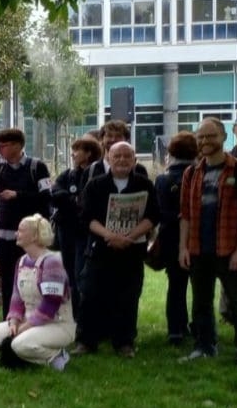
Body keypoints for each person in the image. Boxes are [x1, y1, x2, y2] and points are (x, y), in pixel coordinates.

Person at [179, 117, 237, 369]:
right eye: (201, 136)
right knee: (201, 303)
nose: (205, 141)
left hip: (229, 249)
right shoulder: (192, 173)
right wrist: (183, 247)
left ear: (224, 137)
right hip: (198, 249)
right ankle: (204, 347)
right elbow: (185, 215)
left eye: (210, 136)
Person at [77, 142, 158, 357]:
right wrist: (110, 235)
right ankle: (86, 341)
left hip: (132, 250)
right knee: (90, 295)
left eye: (127, 156)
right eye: (117, 156)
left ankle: (124, 342)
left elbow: (153, 215)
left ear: (134, 160)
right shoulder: (95, 185)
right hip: (100, 249)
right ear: (108, 158)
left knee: (128, 297)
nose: (122, 160)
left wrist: (130, 237)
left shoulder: (144, 185)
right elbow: (86, 217)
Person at [0, 214, 76, 371]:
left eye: (21, 230)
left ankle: (56, 356)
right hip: (27, 321)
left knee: (18, 344)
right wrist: (14, 322)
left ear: (35, 236)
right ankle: (29, 354)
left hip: (57, 324)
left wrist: (25, 328)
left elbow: (50, 306)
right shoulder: (22, 261)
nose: (16, 233)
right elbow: (16, 299)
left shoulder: (52, 262)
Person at [0, 128, 52, 314]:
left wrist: (18, 195)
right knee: (7, 283)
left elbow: (46, 196)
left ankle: (33, 318)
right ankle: (8, 318)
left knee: (30, 282)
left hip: (29, 240)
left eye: (3, 146)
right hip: (4, 238)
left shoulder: (36, 167)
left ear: (17, 146)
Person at [156, 132, 197, 345]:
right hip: (197, 237)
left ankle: (175, 330)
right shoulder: (200, 175)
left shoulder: (163, 179)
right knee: (200, 286)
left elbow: (159, 211)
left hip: (171, 237)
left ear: (171, 152)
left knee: (176, 285)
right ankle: (198, 326)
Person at [50, 135, 103, 294]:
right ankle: (74, 305)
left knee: (83, 272)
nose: (72, 154)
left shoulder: (98, 174)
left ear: (88, 153)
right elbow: (54, 194)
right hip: (66, 230)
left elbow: (90, 201)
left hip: (86, 231)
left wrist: (73, 200)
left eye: (76, 150)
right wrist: (74, 199)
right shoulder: (68, 174)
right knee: (69, 272)